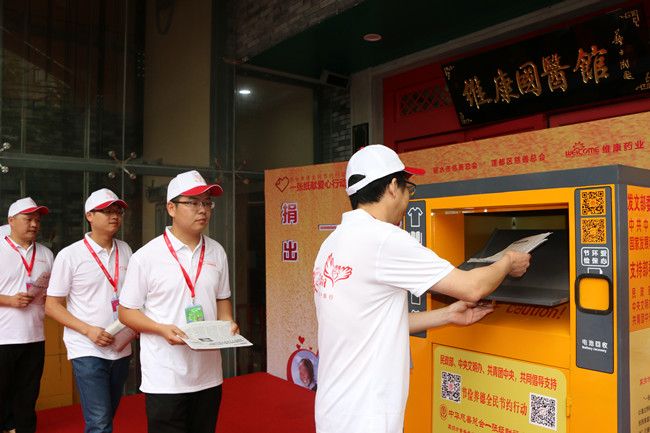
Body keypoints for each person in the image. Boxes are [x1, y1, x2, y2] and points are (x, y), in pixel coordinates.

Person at [312, 145, 531, 433]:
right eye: (409, 189)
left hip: (333, 410)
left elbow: (371, 324)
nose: (408, 199)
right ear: (393, 187)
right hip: (366, 417)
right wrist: (508, 261)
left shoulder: (332, 243)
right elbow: (473, 287)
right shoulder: (384, 239)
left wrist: (447, 315)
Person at [118, 170, 238, 433]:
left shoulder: (217, 251)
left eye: (207, 203)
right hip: (165, 376)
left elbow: (222, 299)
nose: (202, 210)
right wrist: (161, 329)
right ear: (171, 208)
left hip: (208, 375)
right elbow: (126, 312)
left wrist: (228, 322)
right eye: (193, 203)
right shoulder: (146, 256)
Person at [45, 189, 132, 433]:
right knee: (100, 422)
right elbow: (51, 305)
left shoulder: (125, 249)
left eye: (118, 211)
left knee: (107, 416)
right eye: (107, 211)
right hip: (87, 348)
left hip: (121, 345)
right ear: (89, 216)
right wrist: (88, 331)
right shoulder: (70, 255)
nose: (114, 216)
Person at [0, 198, 53, 433]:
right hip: (3, 336)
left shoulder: (46, 253)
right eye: (28, 219)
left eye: (37, 220)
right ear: (11, 220)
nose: (34, 224)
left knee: (28, 393)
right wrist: (8, 300)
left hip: (34, 335)